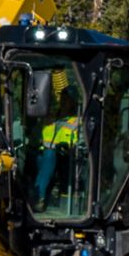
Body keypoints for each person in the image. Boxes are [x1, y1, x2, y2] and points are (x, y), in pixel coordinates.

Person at [31, 76, 83, 210]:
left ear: (73, 101)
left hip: (65, 157)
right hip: (42, 154)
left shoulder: (77, 121)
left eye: (67, 98)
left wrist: (65, 146)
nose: (64, 101)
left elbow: (80, 142)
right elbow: (36, 136)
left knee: (49, 156)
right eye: (63, 97)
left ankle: (39, 197)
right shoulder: (50, 117)